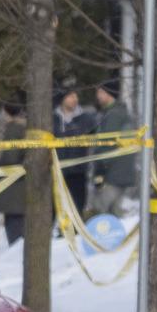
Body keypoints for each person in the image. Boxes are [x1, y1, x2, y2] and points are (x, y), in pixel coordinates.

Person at [91, 80, 139, 215]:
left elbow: (106, 144)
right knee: (113, 214)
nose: (98, 96)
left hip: (112, 174)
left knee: (100, 214)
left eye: (100, 92)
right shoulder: (119, 113)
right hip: (120, 173)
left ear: (109, 94)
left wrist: (100, 170)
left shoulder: (113, 115)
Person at [54, 86, 96, 219]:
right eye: (71, 96)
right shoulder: (52, 119)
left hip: (78, 171)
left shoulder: (86, 119)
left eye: (76, 96)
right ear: (62, 99)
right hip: (57, 171)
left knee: (77, 206)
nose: (75, 99)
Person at [0, 100, 29, 244]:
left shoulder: (13, 129)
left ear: (6, 111)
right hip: (23, 187)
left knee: (15, 231)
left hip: (14, 189)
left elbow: (10, 157)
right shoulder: (26, 128)